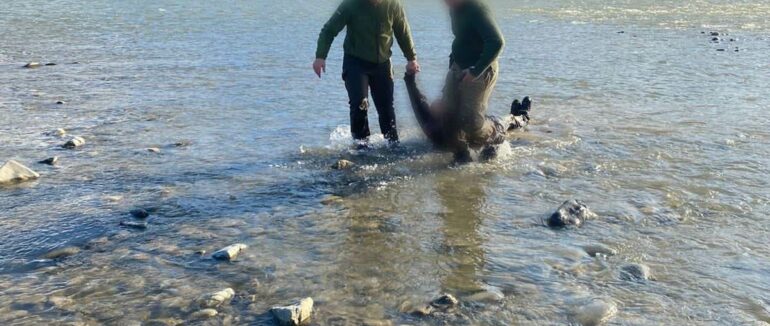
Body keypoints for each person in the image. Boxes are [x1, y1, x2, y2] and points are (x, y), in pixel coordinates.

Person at [314, 0, 420, 147]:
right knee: (360, 104)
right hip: (356, 62)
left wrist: (411, 58)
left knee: (386, 108)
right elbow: (329, 30)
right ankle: (361, 146)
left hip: (382, 63)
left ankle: (392, 144)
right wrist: (320, 56)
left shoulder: (393, 4)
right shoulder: (351, 4)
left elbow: (403, 32)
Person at [404, 71, 531, 159]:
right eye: (439, 101)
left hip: (481, 126)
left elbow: (418, 101)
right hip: (488, 128)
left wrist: (409, 79)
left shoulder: (431, 122)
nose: (436, 101)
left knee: (506, 121)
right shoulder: (441, 124)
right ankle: (522, 116)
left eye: (440, 101)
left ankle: (521, 116)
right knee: (505, 122)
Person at [441, 0, 505, 163]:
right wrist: (453, 65)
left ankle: (495, 132)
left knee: (471, 123)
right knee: (447, 114)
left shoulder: (477, 9)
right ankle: (462, 154)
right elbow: (462, 38)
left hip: (480, 69)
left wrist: (475, 71)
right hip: (458, 66)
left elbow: (497, 42)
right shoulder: (455, 9)